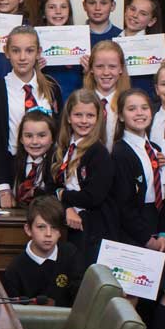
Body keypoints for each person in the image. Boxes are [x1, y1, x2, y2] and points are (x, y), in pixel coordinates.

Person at [109, 88, 165, 329]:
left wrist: (163, 232)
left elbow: (160, 195)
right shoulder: (120, 152)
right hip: (131, 232)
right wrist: (147, 239)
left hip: (154, 225)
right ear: (120, 116)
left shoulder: (154, 148)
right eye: (131, 109)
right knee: (130, 296)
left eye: (143, 107)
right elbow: (123, 206)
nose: (139, 113)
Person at [0, 25, 61, 208]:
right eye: (16, 51)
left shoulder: (51, 87)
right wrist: (3, 189)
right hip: (14, 171)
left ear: (38, 52)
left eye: (29, 50)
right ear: (6, 52)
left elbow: (60, 136)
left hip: (48, 172)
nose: (23, 57)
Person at [54, 90, 114, 263]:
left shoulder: (99, 153)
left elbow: (92, 197)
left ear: (97, 119)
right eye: (78, 115)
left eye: (90, 115)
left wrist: (62, 195)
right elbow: (51, 185)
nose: (84, 121)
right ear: (68, 117)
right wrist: (67, 207)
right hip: (68, 221)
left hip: (92, 228)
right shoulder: (62, 147)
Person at [2, 196, 83, 307]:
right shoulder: (15, 269)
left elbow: (80, 301)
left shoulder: (70, 254)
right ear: (28, 229)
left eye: (54, 227)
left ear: (60, 231)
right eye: (41, 227)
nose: (48, 234)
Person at [38, 0, 85, 98]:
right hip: (45, 101)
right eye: (52, 7)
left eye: (63, 7)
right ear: (44, 13)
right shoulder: (34, 40)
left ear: (69, 12)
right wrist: (34, 70)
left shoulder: (80, 40)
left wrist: (87, 71)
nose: (58, 11)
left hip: (74, 102)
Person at [84, 41, 129, 145]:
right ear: (91, 68)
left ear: (121, 68)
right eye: (99, 66)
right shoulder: (81, 102)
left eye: (112, 66)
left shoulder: (128, 104)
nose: (106, 72)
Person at [12, 112, 57, 207]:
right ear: (21, 139)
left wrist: (36, 193)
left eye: (42, 136)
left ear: (53, 138)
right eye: (28, 136)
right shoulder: (12, 163)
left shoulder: (57, 164)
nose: (35, 142)